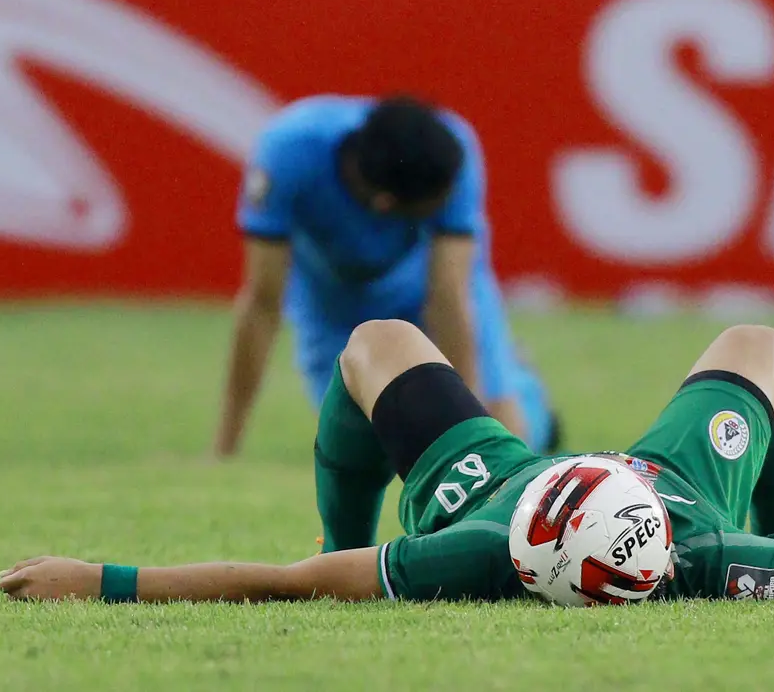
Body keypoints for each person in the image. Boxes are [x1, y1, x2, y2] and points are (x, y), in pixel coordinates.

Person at [2, 321, 774, 604]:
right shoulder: (720, 553)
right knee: (761, 346)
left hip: (505, 475)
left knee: (374, 343)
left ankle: (342, 510)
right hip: (661, 483)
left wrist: (101, 578)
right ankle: (349, 515)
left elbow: (288, 582)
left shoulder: (471, 547)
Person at [211, 93, 559, 463]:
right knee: (379, 451)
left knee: (509, 440)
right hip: (332, 300)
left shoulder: (453, 153)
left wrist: (472, 436)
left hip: (429, 282)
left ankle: (529, 398)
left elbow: (448, 295)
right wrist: (224, 449)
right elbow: (263, 302)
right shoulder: (285, 155)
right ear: (385, 204)